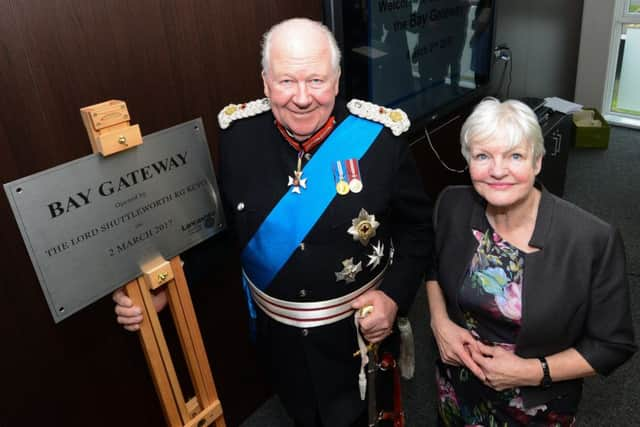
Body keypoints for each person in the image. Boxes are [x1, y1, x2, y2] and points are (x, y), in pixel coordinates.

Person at [113, 18, 433, 427]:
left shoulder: (380, 141)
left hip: (357, 339)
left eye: (316, 80)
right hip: (277, 342)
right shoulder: (238, 137)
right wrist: (166, 288)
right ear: (265, 83)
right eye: (286, 81)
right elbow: (227, 232)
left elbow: (418, 229)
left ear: (337, 81)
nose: (302, 98)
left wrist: (393, 296)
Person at [425, 98, 636, 426]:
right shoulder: (451, 204)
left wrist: (531, 371)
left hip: (535, 407)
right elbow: (434, 266)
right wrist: (439, 322)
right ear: (468, 162)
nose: (497, 170)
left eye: (515, 156)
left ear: (537, 161)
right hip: (456, 392)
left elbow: (612, 345)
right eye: (483, 156)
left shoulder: (591, 240)